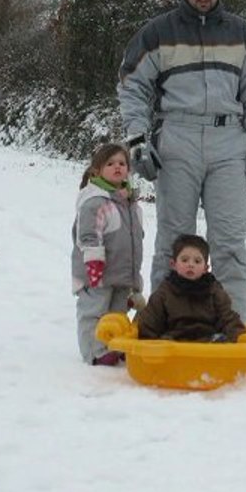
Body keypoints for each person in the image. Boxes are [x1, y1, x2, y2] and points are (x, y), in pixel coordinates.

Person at [117, 0, 246, 324]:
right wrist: (138, 139)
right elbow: (132, 86)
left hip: (229, 143)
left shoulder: (242, 34)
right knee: (173, 241)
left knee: (230, 243)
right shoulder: (158, 32)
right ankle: (163, 323)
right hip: (178, 139)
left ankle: (232, 327)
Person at [71, 143, 146, 366]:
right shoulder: (95, 201)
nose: (117, 167)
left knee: (117, 313)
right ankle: (94, 351)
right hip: (97, 273)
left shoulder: (130, 203)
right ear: (97, 171)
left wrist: (135, 276)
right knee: (95, 311)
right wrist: (94, 261)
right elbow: (87, 234)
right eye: (110, 164)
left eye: (122, 163)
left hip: (122, 272)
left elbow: (135, 239)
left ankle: (114, 345)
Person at [136, 234, 246, 342]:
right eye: (184, 260)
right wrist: (150, 343)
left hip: (208, 343)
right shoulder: (165, 292)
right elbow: (150, 321)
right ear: (173, 264)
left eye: (197, 261)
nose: (191, 265)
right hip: (174, 344)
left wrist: (238, 336)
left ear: (205, 268)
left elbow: (227, 318)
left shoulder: (214, 291)